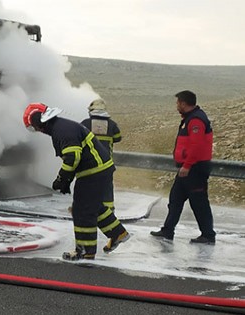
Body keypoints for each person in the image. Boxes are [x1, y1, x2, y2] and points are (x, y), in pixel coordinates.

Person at [23, 102, 130, 260]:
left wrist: (62, 179)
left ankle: (85, 251)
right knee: (92, 206)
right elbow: (75, 156)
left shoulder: (61, 130)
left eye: (35, 127)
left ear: (39, 121)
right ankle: (118, 233)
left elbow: (73, 157)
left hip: (93, 172)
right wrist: (67, 179)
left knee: (81, 210)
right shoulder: (61, 127)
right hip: (98, 170)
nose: (38, 131)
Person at [150, 90, 215, 244]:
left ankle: (208, 235)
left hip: (194, 169)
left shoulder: (196, 120)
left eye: (178, 102)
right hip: (187, 170)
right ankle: (168, 231)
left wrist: (187, 165)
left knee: (199, 203)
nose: (177, 105)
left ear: (184, 103)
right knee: (175, 200)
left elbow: (196, 146)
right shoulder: (190, 118)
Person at [81, 98, 122, 209]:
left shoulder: (85, 123)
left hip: (89, 163)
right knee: (107, 187)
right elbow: (118, 138)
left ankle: (88, 207)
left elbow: (77, 139)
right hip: (107, 163)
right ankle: (109, 210)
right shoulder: (112, 124)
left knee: (88, 185)